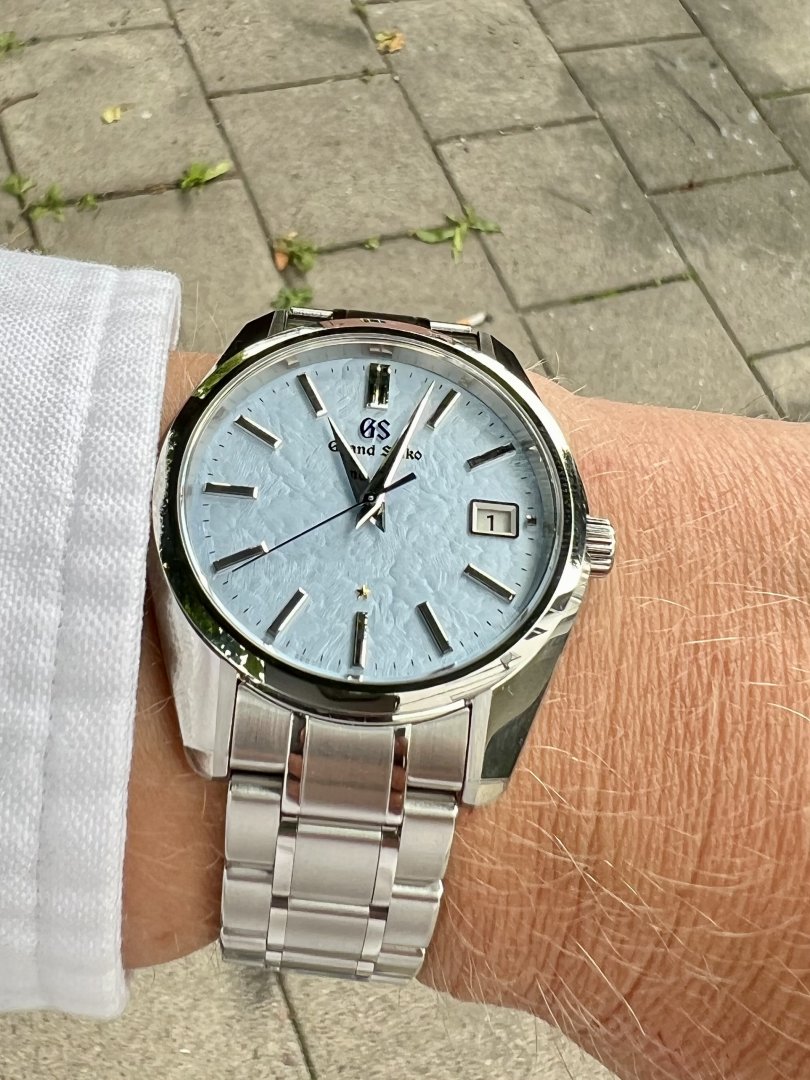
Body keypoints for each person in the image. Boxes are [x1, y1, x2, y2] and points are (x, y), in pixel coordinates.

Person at [2, 249, 808, 1080]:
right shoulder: (209, 720)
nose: (370, 505)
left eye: (375, 498)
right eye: (368, 497)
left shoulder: (546, 558)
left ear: (583, 549)